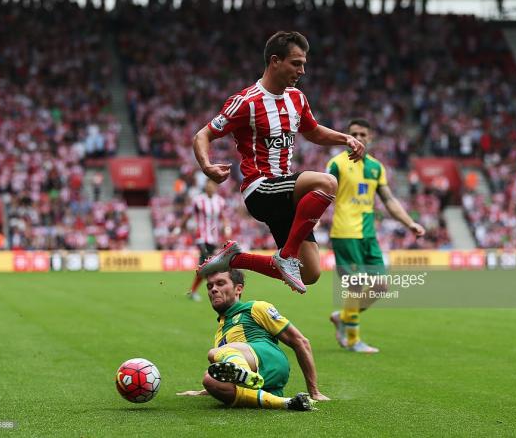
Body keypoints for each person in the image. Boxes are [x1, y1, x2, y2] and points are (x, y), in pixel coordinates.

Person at [194, 31, 365, 294]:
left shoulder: (297, 98)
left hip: (285, 193)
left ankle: (234, 259)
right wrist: (207, 166)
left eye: (304, 63)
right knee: (327, 182)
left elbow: (313, 132)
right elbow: (203, 135)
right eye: (296, 63)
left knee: (311, 273)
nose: (302, 70)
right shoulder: (246, 102)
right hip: (260, 188)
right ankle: (285, 256)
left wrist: (345, 139)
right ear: (275, 61)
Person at [327, 119, 425, 353]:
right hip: (345, 233)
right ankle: (352, 339)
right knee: (356, 286)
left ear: (370, 138)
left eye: (362, 134)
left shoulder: (376, 168)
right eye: (353, 134)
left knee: (380, 286)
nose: (358, 138)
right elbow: (321, 194)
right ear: (346, 137)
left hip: (368, 235)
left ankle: (343, 316)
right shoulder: (336, 164)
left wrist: (410, 223)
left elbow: (388, 200)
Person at [177, 269, 329, 411]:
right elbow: (227, 370)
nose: (213, 289)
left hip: (269, 359)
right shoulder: (220, 333)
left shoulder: (255, 308)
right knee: (210, 379)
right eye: (209, 286)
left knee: (214, 353)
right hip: (264, 380)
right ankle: (286, 402)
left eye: (220, 283)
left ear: (238, 289)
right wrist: (206, 391)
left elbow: (300, 341)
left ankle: (249, 377)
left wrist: (314, 391)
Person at [174, 179, 231, 301]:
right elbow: (188, 214)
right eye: (207, 185)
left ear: (215, 187)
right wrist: (179, 228)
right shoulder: (198, 200)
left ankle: (194, 291)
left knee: (204, 266)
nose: (209, 187)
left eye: (212, 185)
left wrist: (227, 228)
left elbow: (224, 217)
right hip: (201, 237)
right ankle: (214, 289)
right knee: (207, 263)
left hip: (213, 238)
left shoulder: (220, 201)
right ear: (205, 187)